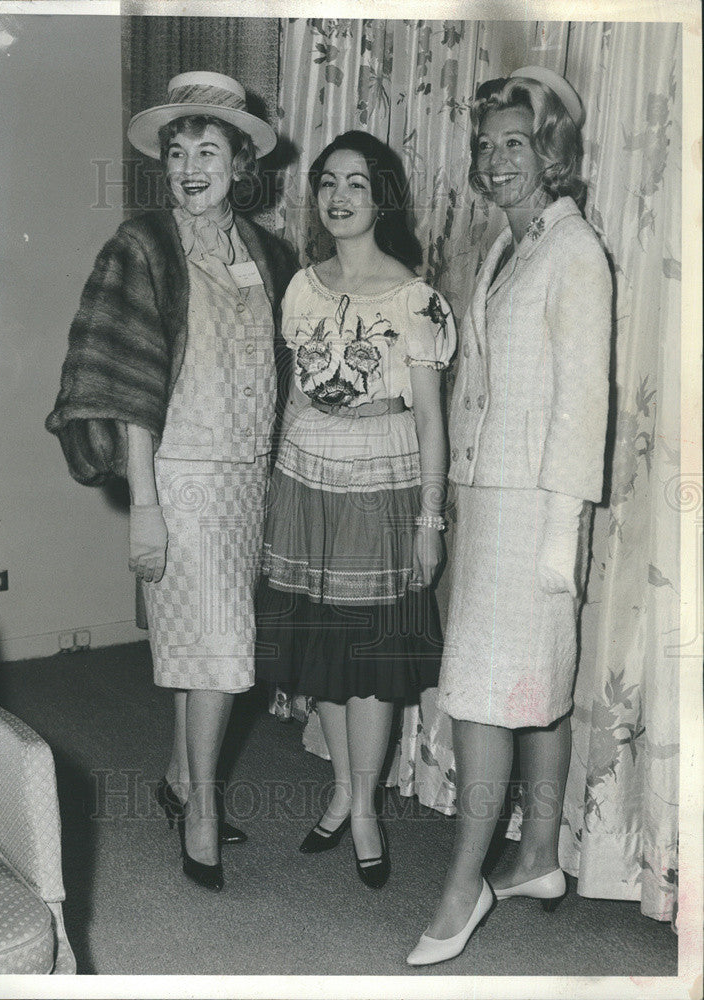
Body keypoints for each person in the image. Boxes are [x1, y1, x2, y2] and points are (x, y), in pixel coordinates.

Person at [46, 72, 297, 892]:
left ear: (239, 162)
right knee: (222, 650)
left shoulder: (269, 252)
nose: (191, 166)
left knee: (203, 645)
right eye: (178, 151)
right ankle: (198, 811)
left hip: (247, 477)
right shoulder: (144, 244)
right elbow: (124, 386)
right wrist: (144, 506)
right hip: (180, 476)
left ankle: (180, 778)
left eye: (208, 149)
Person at [406, 67, 611, 964]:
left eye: (514, 144)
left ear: (552, 150)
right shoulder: (507, 247)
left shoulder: (576, 253)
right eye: (486, 145)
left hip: (537, 507)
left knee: (489, 688)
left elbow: (583, 406)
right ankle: (535, 855)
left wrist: (563, 537)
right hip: (490, 495)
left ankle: (466, 884)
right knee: (534, 682)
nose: (494, 161)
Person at [256, 131, 456, 889]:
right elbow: (293, 397)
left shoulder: (416, 299)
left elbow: (432, 420)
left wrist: (430, 521)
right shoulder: (302, 289)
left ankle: (365, 808)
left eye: (356, 185)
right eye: (328, 183)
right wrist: (274, 487)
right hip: (307, 483)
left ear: (382, 200)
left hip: (381, 488)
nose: (338, 197)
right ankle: (341, 790)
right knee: (322, 656)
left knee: (370, 659)